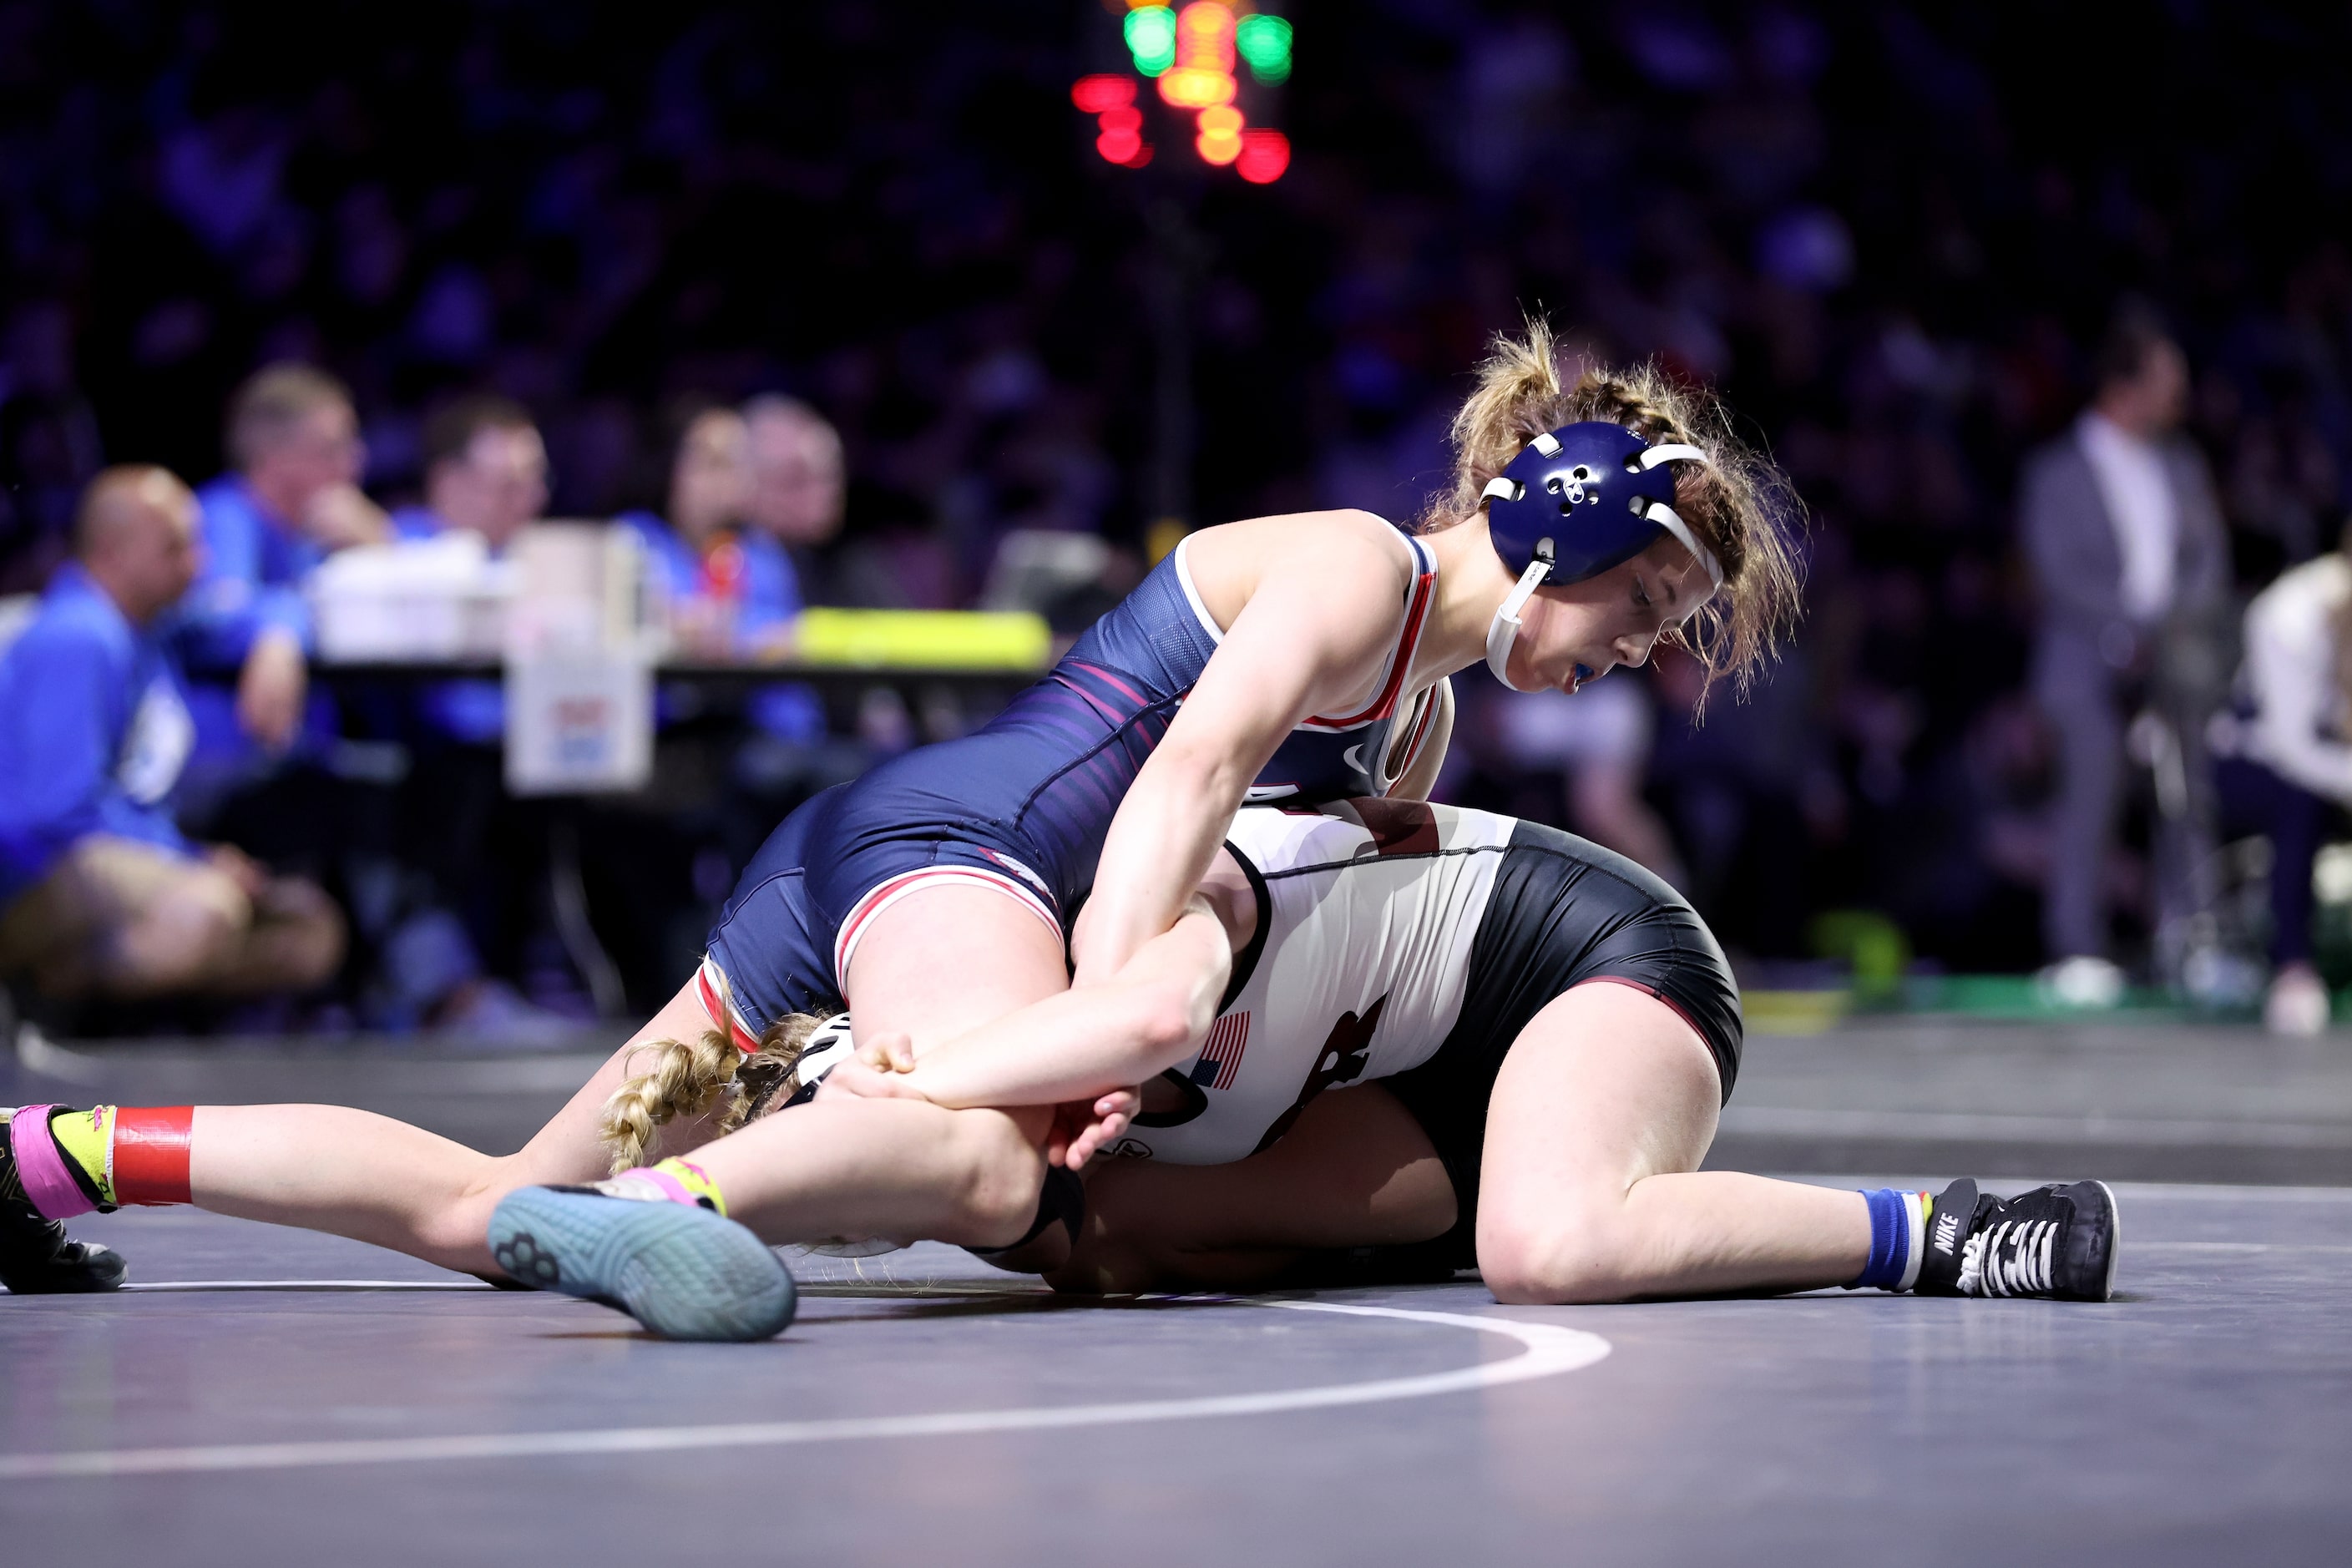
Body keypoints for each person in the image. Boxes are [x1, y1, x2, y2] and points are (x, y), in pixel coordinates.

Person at [0, 326, 1800, 1295]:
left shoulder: (1410, 706)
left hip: (893, 874)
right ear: (1557, 541)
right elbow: (1177, 789)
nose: (1625, 659)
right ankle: (704, 1203)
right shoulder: (1354, 573)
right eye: (1631, 616)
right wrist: (1097, 1050)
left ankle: (46, 1149)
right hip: (965, 864)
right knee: (978, 1157)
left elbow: (1266, 852)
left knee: (490, 1213)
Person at [488, 797, 2117, 1339]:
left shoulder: (1164, 919)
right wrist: (532, 1207)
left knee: (1549, 1251)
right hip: (1389, 1093)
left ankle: (1942, 1228)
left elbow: (1127, 1031)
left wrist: (891, 1095)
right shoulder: (1044, 1111)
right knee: (1099, 1241)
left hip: (1580, 965)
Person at [0, 468, 344, 1016]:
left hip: (129, 856)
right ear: (115, 552)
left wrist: (277, 644)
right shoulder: (79, 637)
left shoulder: (151, 625)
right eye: (175, 547)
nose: (199, 562)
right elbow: (54, 816)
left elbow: (267, 608)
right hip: (44, 875)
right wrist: (189, 859)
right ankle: (42, 992)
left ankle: (141, 1003)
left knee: (308, 929)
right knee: (205, 912)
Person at [2022, 304, 2229, 999]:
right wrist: (2125, 631)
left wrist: (2167, 631)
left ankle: (2194, 942)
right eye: (2168, 381)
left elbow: (2206, 559)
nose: (2180, 397)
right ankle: (2076, 949)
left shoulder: (2182, 464)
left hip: (2170, 661)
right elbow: (2059, 571)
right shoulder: (2056, 470)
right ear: (2125, 385)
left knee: (2187, 796)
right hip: (2085, 662)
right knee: (2090, 795)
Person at [179, 363, 388, 767]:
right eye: (333, 448)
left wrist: (381, 549)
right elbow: (213, 615)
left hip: (300, 748)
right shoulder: (223, 518)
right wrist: (279, 629)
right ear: (275, 458)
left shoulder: (313, 536)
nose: (356, 462)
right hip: (224, 758)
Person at [2223, 528, 2352, 1034]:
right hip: (2250, 759)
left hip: (2332, 762)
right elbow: (2292, 747)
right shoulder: (2287, 616)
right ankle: (2292, 968)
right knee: (2298, 799)